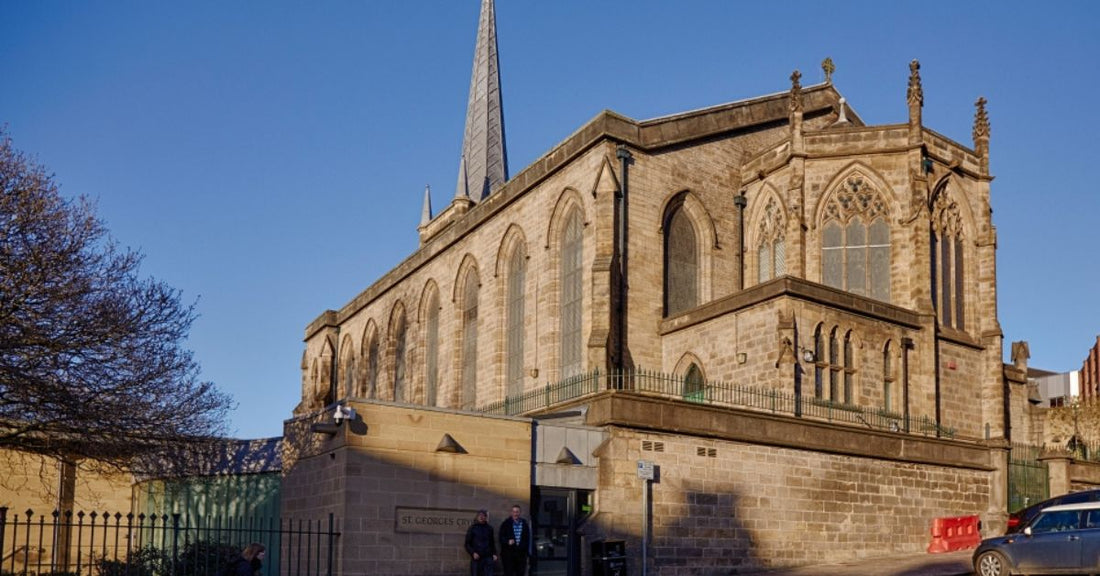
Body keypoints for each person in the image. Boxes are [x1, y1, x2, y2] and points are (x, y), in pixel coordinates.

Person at [498, 504, 531, 576]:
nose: (515, 513)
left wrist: (527, 553)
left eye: (517, 512)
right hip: (508, 555)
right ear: (511, 512)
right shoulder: (505, 524)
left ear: (520, 513)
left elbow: (528, 539)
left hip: (521, 555)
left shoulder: (524, 524)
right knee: (508, 573)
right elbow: (500, 538)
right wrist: (507, 541)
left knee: (520, 573)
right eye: (514, 512)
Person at [465, 509, 497, 576]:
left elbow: (492, 543)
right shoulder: (472, 528)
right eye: (480, 516)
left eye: (483, 516)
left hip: (488, 558)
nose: (481, 517)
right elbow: (467, 544)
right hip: (477, 558)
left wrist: (494, 554)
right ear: (477, 517)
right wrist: (473, 553)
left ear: (486, 517)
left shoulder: (490, 528)